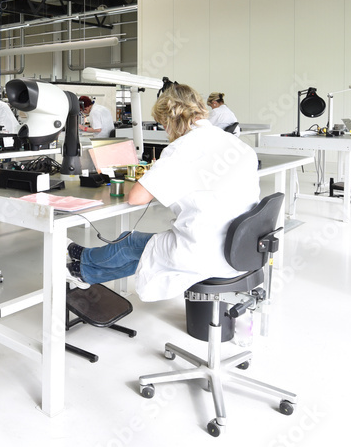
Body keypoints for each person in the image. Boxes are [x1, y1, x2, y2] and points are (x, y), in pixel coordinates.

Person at [65, 83, 260, 301]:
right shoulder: (236, 143)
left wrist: (155, 175)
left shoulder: (185, 146)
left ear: (171, 119)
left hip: (204, 248)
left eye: (164, 125)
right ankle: (85, 273)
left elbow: (137, 197)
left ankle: (82, 260)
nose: (167, 132)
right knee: (136, 247)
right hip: (241, 247)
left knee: (130, 243)